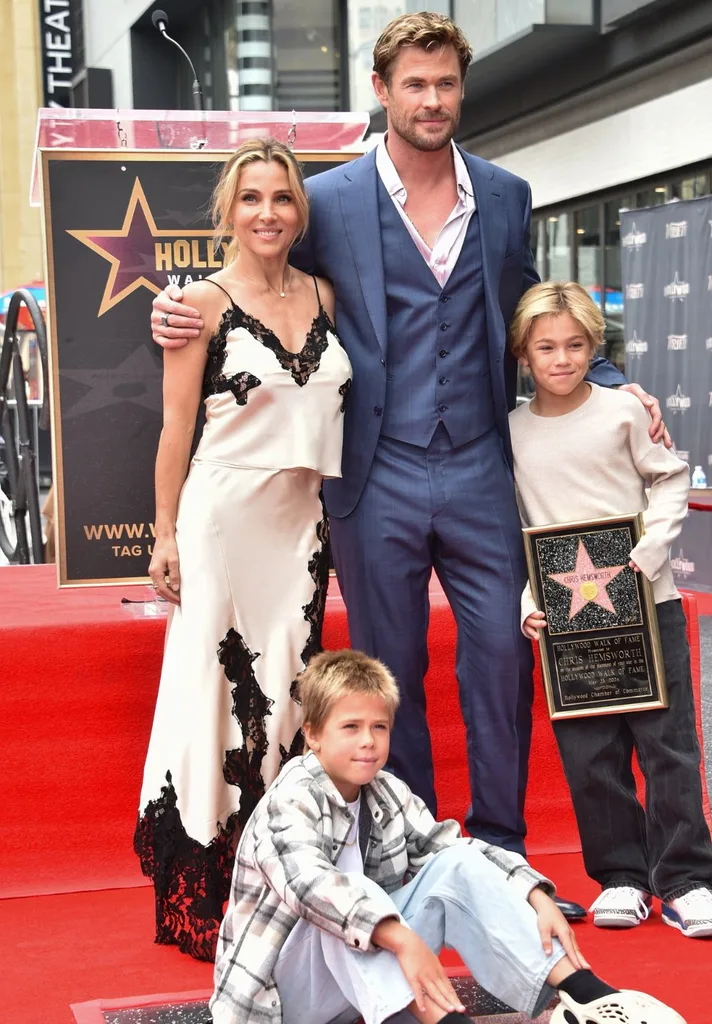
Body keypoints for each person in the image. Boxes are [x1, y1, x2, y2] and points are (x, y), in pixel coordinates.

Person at [149, 14, 666, 897]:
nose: (432, 101)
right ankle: (412, 843)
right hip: (373, 469)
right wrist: (176, 305)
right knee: (390, 669)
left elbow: (532, 304)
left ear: (461, 91)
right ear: (382, 92)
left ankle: (501, 841)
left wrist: (610, 377)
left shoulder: (504, 194)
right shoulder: (334, 200)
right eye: (414, 85)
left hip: (475, 463)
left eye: (446, 85)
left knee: (501, 655)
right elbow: (265, 277)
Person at [134, 137, 352, 961]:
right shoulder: (198, 303)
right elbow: (175, 427)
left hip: (301, 526)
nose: (268, 213)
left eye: (283, 198)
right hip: (222, 520)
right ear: (228, 211)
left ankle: (280, 871)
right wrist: (163, 533)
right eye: (252, 198)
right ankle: (209, 881)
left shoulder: (327, 292)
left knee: (289, 691)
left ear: (302, 212)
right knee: (218, 695)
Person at [210, 647, 686, 1024]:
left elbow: (453, 849)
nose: (368, 742)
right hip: (277, 1003)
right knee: (344, 905)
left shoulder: (384, 789)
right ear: (313, 735)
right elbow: (309, 886)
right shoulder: (290, 797)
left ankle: (587, 998)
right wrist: (403, 940)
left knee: (453, 866)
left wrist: (535, 893)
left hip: (352, 988)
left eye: (379, 727)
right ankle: (443, 1018)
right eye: (350, 727)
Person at [508, 282, 712, 940]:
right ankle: (621, 879)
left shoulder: (622, 413)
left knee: (668, 747)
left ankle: (685, 881)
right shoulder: (512, 431)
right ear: (523, 353)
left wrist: (649, 552)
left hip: (644, 598)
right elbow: (517, 525)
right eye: (545, 347)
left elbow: (669, 476)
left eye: (575, 345)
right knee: (590, 754)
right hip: (566, 615)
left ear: (592, 348)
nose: (561, 358)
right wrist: (530, 596)